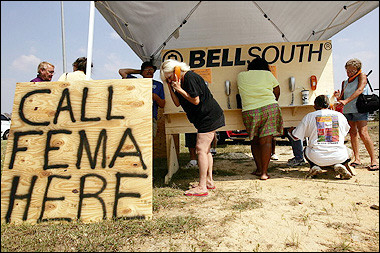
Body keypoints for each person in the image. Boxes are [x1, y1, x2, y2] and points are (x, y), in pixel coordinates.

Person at [160, 59, 225, 196]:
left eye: (170, 76)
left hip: (209, 116)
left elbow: (195, 100)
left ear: (176, 70)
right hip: (203, 118)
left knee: (200, 149)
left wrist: (179, 89)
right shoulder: (178, 82)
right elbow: (177, 103)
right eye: (167, 79)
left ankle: (202, 187)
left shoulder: (189, 77)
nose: (170, 80)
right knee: (206, 150)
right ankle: (209, 181)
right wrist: (171, 87)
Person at [237, 57, 283, 180]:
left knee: (254, 141)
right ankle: (264, 172)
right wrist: (272, 102)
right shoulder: (268, 75)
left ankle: (258, 169)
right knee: (266, 141)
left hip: (249, 110)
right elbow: (277, 91)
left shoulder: (241, 76)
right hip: (269, 108)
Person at [289, 95, 354, 179]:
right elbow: (345, 131)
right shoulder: (340, 115)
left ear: (315, 106)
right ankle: (339, 164)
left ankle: (314, 166)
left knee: (306, 150)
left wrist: (291, 131)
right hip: (339, 156)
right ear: (328, 104)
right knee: (349, 151)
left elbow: (296, 137)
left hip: (316, 157)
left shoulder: (309, 116)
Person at [333, 58, 378, 171]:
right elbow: (342, 98)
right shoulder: (345, 82)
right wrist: (338, 96)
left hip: (360, 108)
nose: (349, 73)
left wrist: (346, 101)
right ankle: (357, 159)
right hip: (348, 110)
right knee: (352, 133)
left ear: (358, 70)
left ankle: (374, 160)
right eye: (348, 71)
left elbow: (359, 90)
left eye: (352, 71)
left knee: (363, 133)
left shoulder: (362, 76)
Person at [119, 61, 165, 138]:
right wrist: (139, 71)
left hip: (151, 119)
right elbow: (122, 71)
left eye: (151, 69)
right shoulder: (136, 81)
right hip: (136, 118)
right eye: (146, 69)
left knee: (149, 143)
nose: (149, 71)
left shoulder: (159, 85)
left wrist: (155, 97)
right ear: (142, 72)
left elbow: (162, 104)